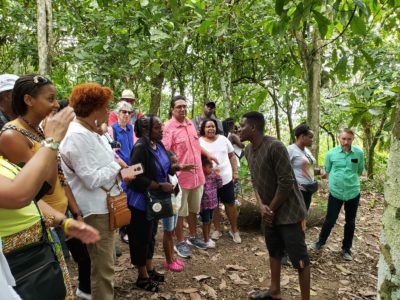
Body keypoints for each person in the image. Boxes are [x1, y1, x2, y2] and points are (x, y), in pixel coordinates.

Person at [0, 106, 99, 299]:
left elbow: (35, 198)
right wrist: (51, 141)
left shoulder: (4, 163)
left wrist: (64, 221)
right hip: (14, 264)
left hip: (39, 254)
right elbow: (17, 196)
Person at [60, 83, 125, 300]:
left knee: (105, 263)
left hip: (104, 206)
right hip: (95, 210)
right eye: (106, 106)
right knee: (102, 267)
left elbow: (103, 160)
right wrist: (117, 168)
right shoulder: (77, 136)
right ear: (94, 107)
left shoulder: (91, 130)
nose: (108, 111)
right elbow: (91, 179)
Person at [240, 112, 310, 300]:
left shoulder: (275, 146)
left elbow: (286, 182)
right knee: (274, 251)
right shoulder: (248, 150)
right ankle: (274, 291)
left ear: (253, 128)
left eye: (242, 125)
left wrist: (269, 208)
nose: (239, 129)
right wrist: (261, 206)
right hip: (268, 212)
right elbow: (254, 181)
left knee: (299, 259)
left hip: (289, 212)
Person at [163, 95, 216, 258]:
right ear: (172, 109)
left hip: (197, 176)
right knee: (180, 212)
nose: (182, 109)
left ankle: (193, 237)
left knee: (194, 209)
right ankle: (180, 241)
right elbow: (165, 152)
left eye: (185, 106)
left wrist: (208, 155)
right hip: (181, 179)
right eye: (179, 106)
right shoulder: (168, 128)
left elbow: (196, 145)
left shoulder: (191, 124)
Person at [126, 115, 175, 292]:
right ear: (146, 131)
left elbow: (164, 165)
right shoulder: (140, 148)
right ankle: (142, 277)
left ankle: (150, 268)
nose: (162, 130)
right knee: (140, 238)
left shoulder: (157, 144)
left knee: (150, 235)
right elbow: (131, 176)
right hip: (140, 202)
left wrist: (177, 167)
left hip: (154, 202)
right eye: (157, 128)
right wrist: (159, 185)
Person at [311, 127, 364, 261]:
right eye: (343, 139)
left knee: (350, 222)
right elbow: (327, 171)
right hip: (336, 192)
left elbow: (359, 170)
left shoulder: (358, 153)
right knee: (330, 220)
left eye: (349, 139)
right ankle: (320, 242)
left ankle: (346, 249)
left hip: (353, 192)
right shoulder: (331, 154)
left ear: (353, 139)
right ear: (339, 138)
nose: (346, 142)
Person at [199, 118, 241, 243]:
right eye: (207, 127)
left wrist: (235, 172)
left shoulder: (223, 140)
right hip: (209, 182)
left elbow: (232, 156)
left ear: (216, 128)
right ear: (203, 129)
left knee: (230, 204)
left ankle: (234, 230)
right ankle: (217, 229)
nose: (210, 128)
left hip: (225, 177)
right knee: (214, 205)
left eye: (212, 126)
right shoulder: (200, 142)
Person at [108, 100, 136, 245]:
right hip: (120, 169)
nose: (126, 115)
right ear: (117, 113)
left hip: (132, 167)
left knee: (132, 197)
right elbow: (112, 153)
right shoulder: (112, 130)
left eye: (129, 112)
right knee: (123, 199)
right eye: (123, 112)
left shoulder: (132, 128)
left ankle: (130, 228)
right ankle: (123, 231)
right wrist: (124, 166)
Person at [162, 151, 185, 272]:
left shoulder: (174, 174)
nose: (176, 165)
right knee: (168, 232)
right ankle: (169, 260)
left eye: (176, 162)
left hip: (175, 204)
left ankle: (172, 256)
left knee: (171, 233)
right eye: (172, 163)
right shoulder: (164, 176)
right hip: (168, 206)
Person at [287, 124, 318, 211]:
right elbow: (283, 169)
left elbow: (307, 168)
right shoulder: (290, 150)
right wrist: (293, 185)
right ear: (302, 136)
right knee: (298, 214)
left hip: (308, 189)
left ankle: (303, 225)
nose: (312, 140)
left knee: (304, 213)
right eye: (310, 137)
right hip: (299, 190)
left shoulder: (306, 150)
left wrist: (319, 172)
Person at [200, 156, 223, 248]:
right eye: (209, 167)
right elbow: (199, 193)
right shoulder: (201, 178)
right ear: (203, 167)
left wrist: (218, 176)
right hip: (204, 205)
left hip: (212, 203)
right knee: (205, 222)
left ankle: (208, 238)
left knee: (209, 221)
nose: (212, 169)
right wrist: (199, 205)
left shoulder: (213, 175)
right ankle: (205, 240)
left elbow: (220, 186)